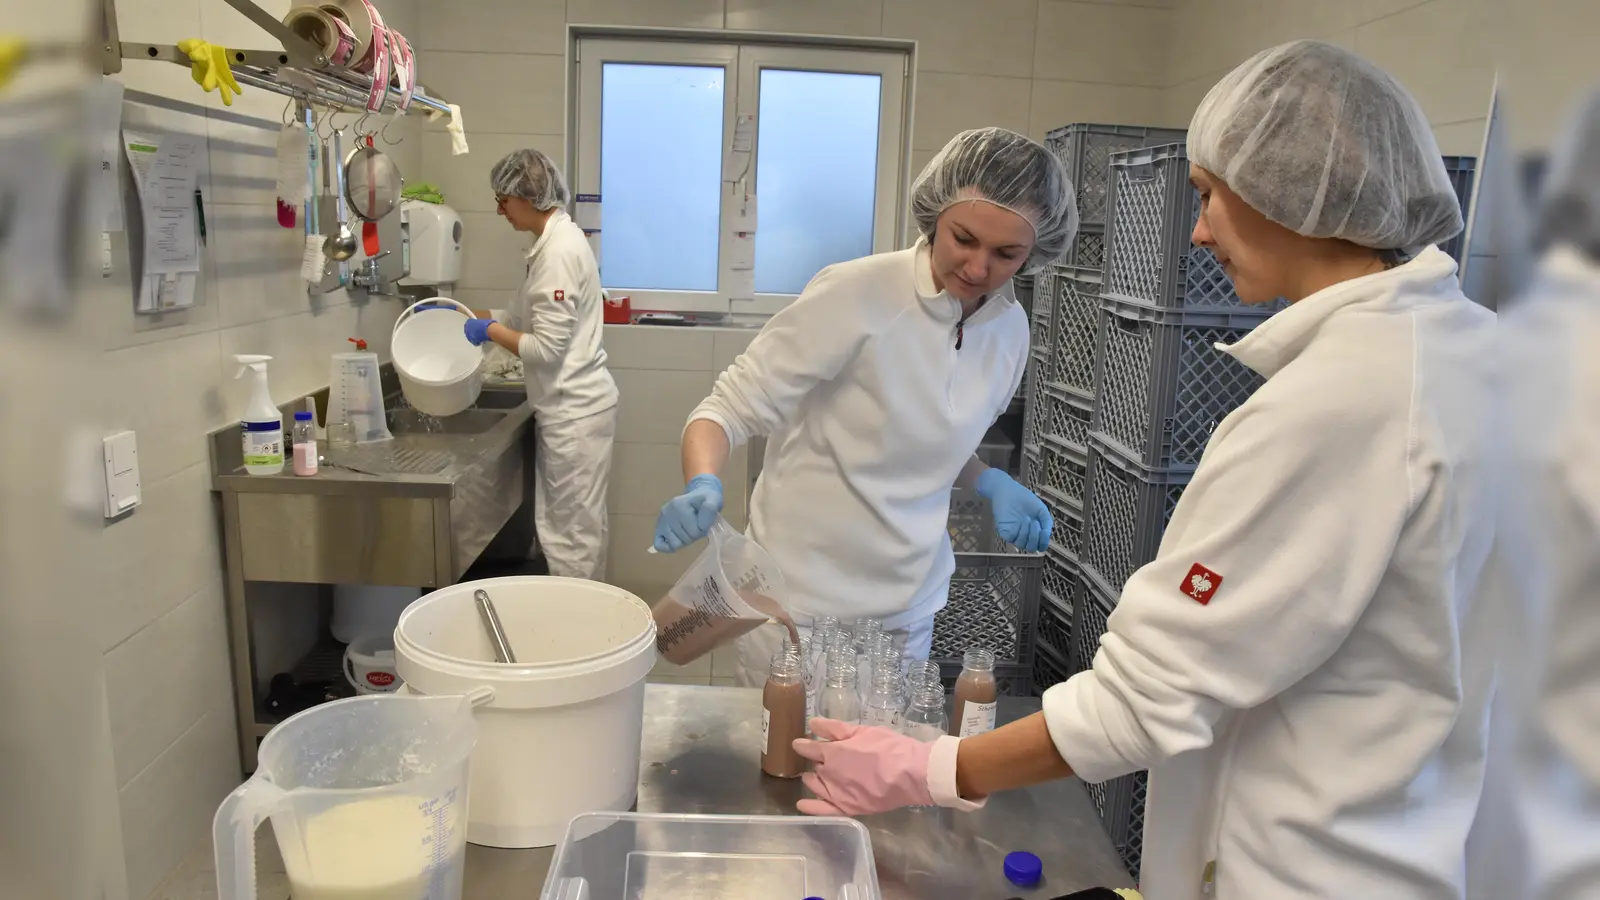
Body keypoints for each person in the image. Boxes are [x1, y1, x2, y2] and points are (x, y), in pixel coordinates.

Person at [793, 40, 1499, 900]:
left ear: (1287, 193)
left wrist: (932, 768)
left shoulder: (1343, 403)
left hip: (1303, 867)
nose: (1197, 231)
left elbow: (1146, 697)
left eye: (1208, 197)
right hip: (1411, 842)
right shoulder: (1477, 356)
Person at [652, 127, 1076, 686]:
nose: (977, 269)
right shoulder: (858, 292)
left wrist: (987, 480)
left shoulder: (1010, 331)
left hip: (906, 613)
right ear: (935, 216)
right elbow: (726, 407)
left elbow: (934, 441)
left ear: (1035, 251)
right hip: (795, 606)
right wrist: (702, 481)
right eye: (964, 239)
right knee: (785, 766)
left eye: (1006, 254)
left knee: (877, 765)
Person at [464, 149, 619, 580]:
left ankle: (577, 638)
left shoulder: (558, 255)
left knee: (569, 536)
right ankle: (588, 628)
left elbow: (545, 349)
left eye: (503, 199)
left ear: (527, 195)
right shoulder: (548, 245)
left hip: (575, 413)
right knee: (579, 529)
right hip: (575, 408)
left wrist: (489, 333)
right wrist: (459, 316)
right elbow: (517, 317)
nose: (499, 210)